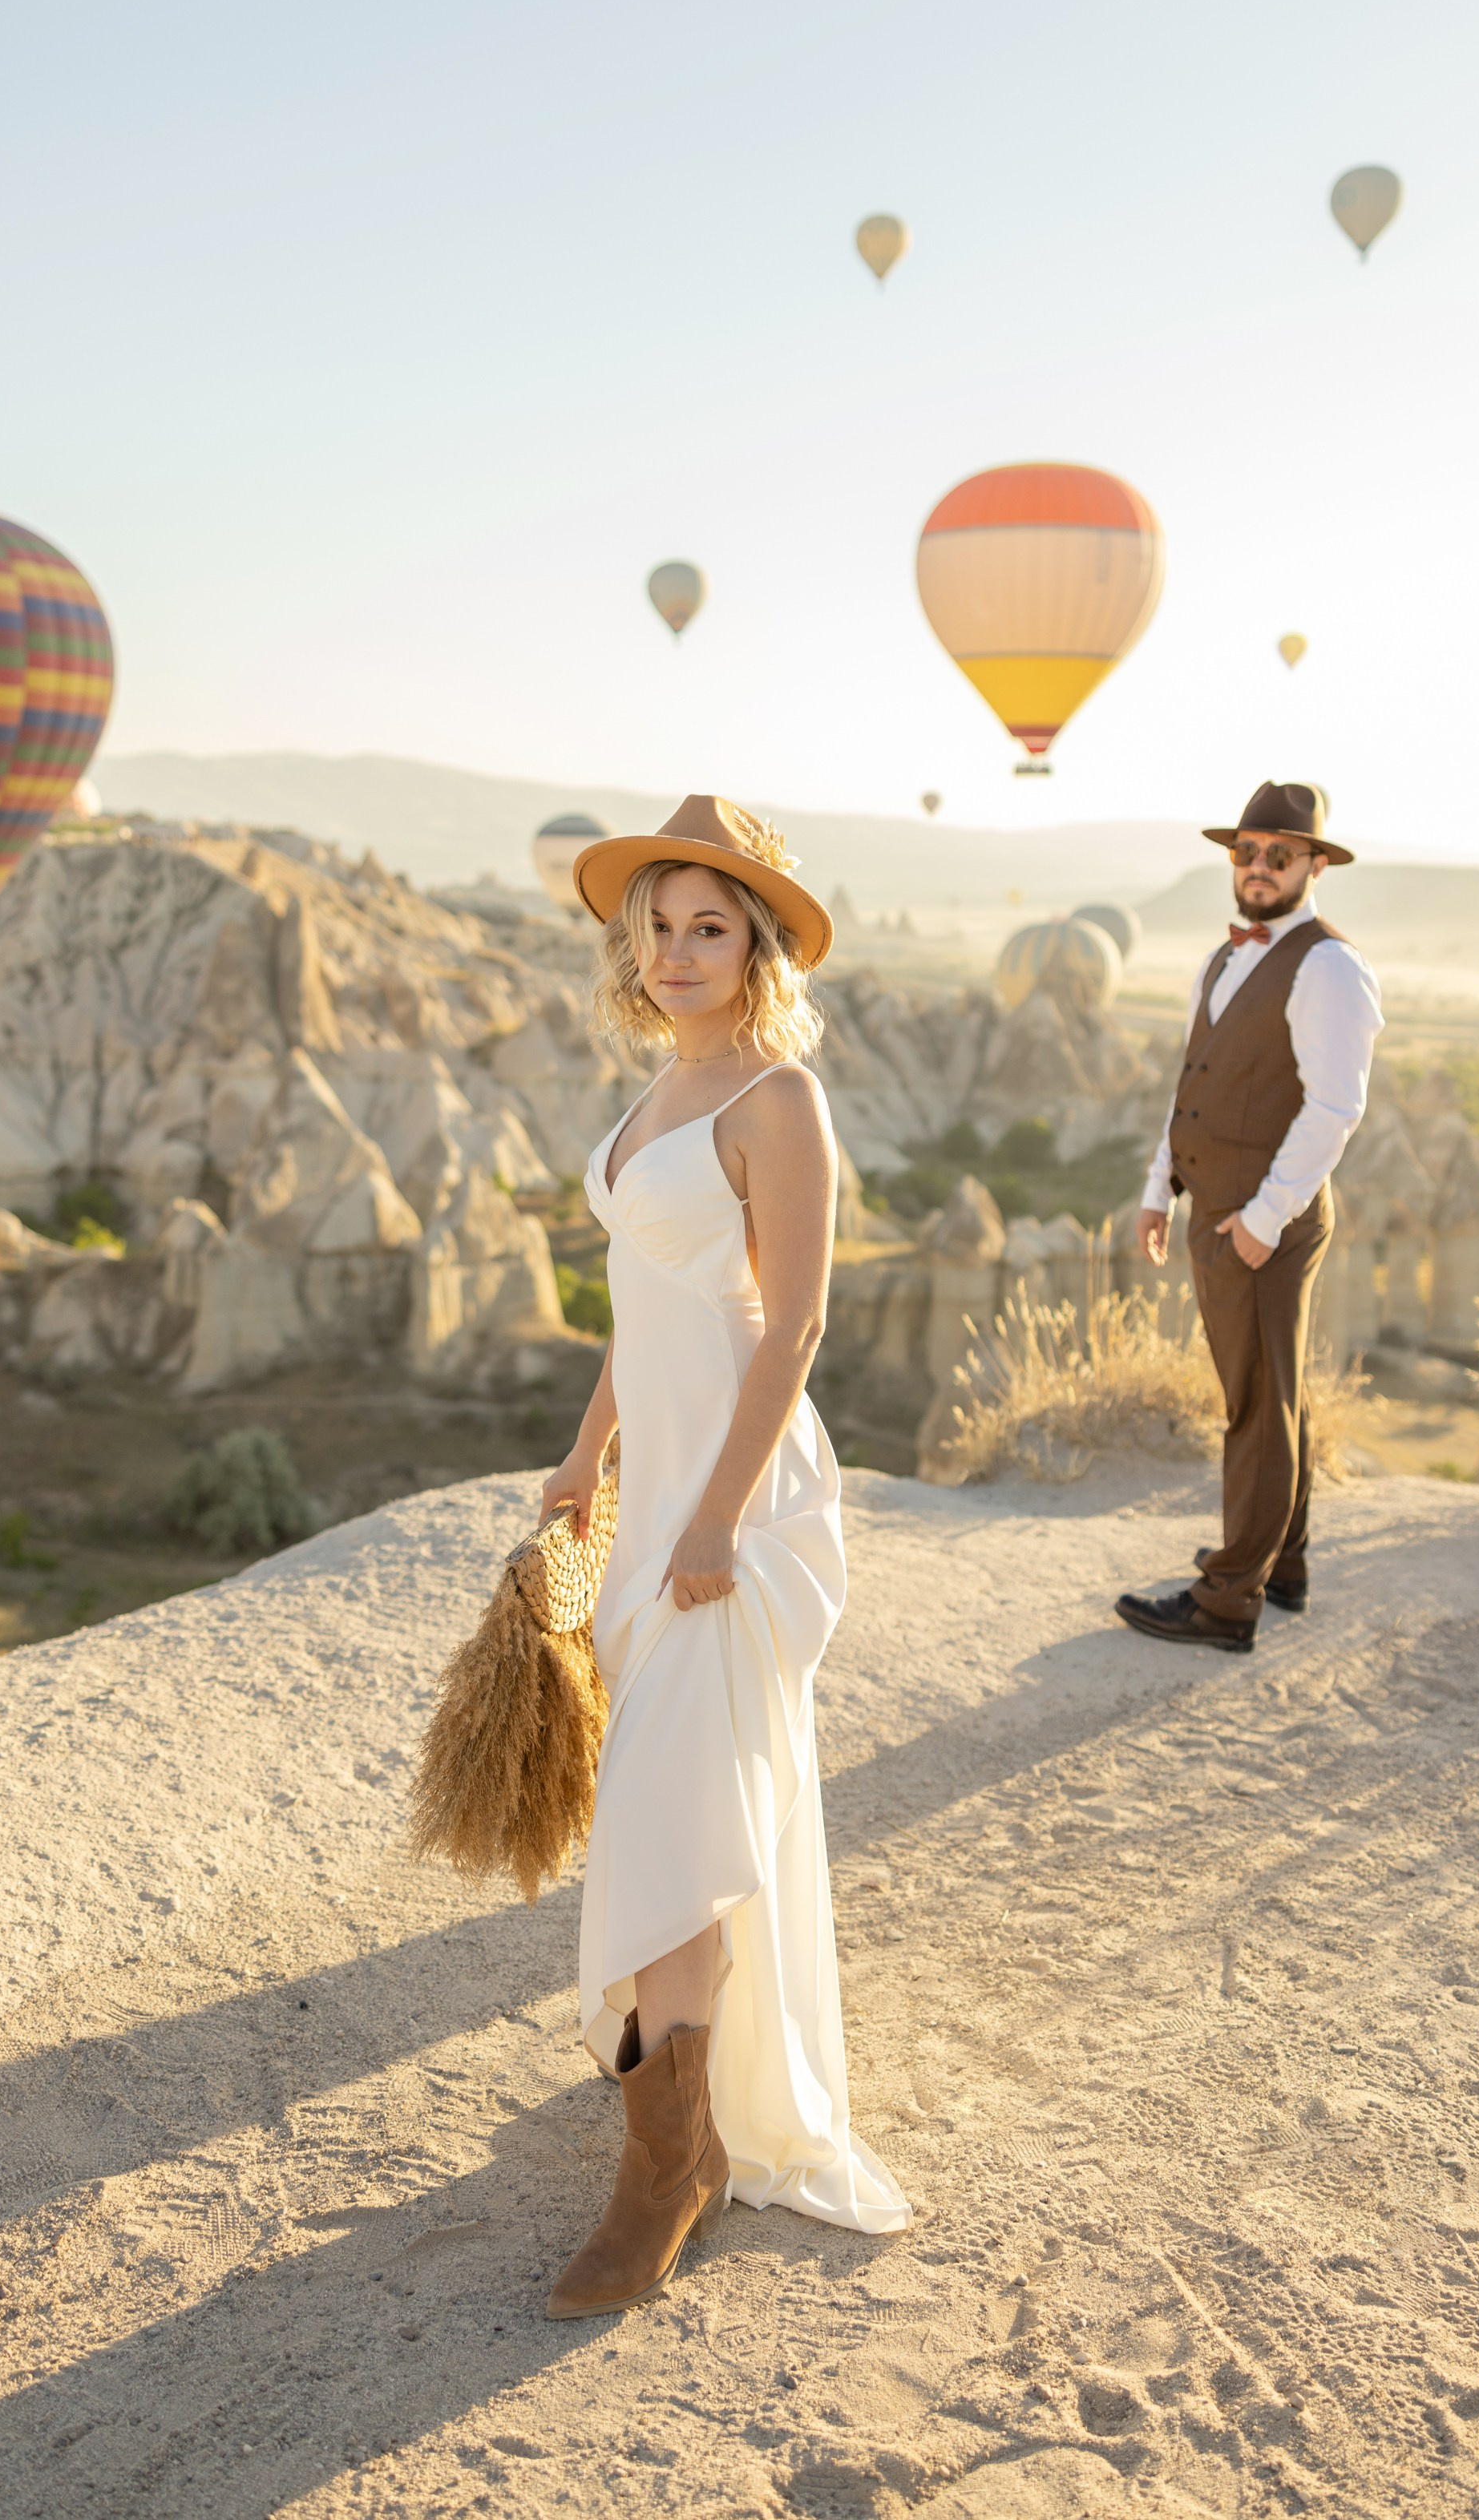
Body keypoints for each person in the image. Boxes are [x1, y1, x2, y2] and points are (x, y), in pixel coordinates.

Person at [539, 793, 909, 2320]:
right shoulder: (649, 1096)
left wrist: (711, 1517)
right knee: (663, 1798)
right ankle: (677, 2125)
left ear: (755, 944)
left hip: (744, 1505)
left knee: (675, 1808)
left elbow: (794, 1323)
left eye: (711, 926)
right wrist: (587, 1451)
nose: (680, 951)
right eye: (661, 926)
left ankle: (664, 2177)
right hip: (661, 1488)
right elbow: (647, 1304)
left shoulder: (777, 1101)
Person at [1116, 781, 1383, 1655]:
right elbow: (1194, 1081)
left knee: (1255, 1407)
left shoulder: (1329, 967)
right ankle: (1285, 1561)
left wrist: (1267, 1217)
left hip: (1263, 1216)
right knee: (1271, 1392)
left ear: (1314, 865)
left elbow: (1334, 1109)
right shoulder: (1225, 958)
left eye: (1280, 855)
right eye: (1247, 852)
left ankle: (1228, 1599)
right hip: (1219, 1206)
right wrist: (1162, 1184)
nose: (1259, 868)